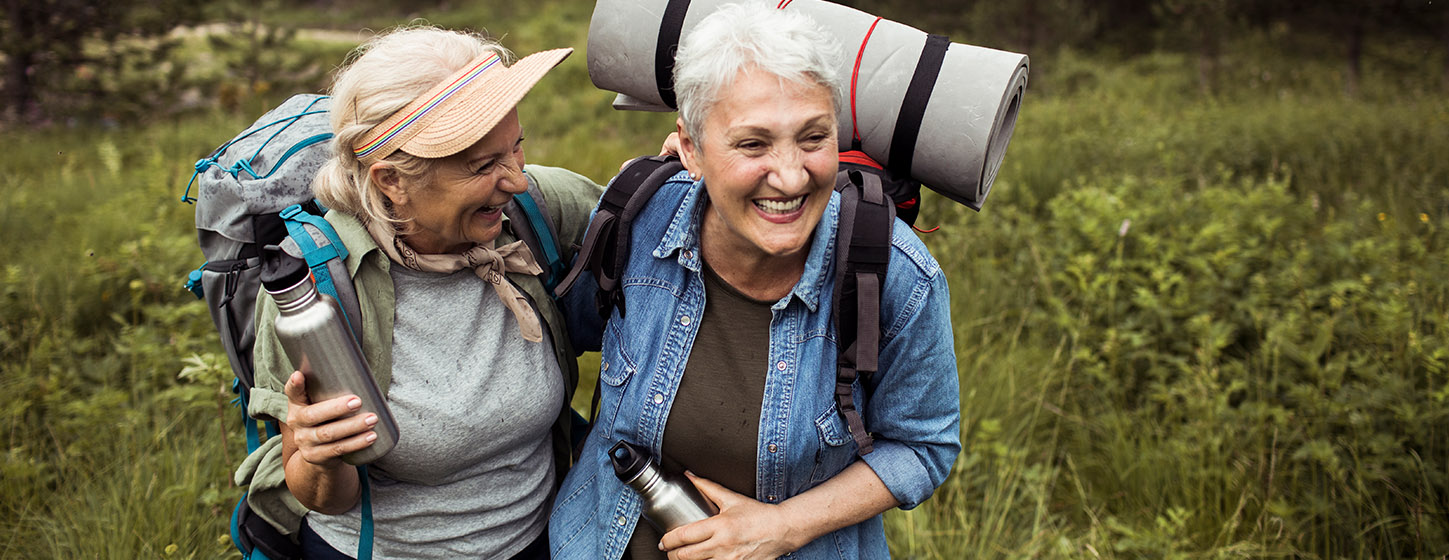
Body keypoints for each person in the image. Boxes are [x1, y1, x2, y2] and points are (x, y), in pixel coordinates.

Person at [549, 3, 961, 559]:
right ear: (690, 149)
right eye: (753, 144)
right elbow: (559, 343)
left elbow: (923, 445)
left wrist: (786, 526)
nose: (791, 176)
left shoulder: (894, 274)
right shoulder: (638, 220)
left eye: (813, 138)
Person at [246, 26, 604, 559]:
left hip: (545, 540)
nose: (517, 181)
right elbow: (325, 498)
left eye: (517, 147)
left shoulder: (537, 213)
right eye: (483, 166)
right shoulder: (315, 289)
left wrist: (688, 169)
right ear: (392, 180)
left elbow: (677, 240)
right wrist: (319, 457)